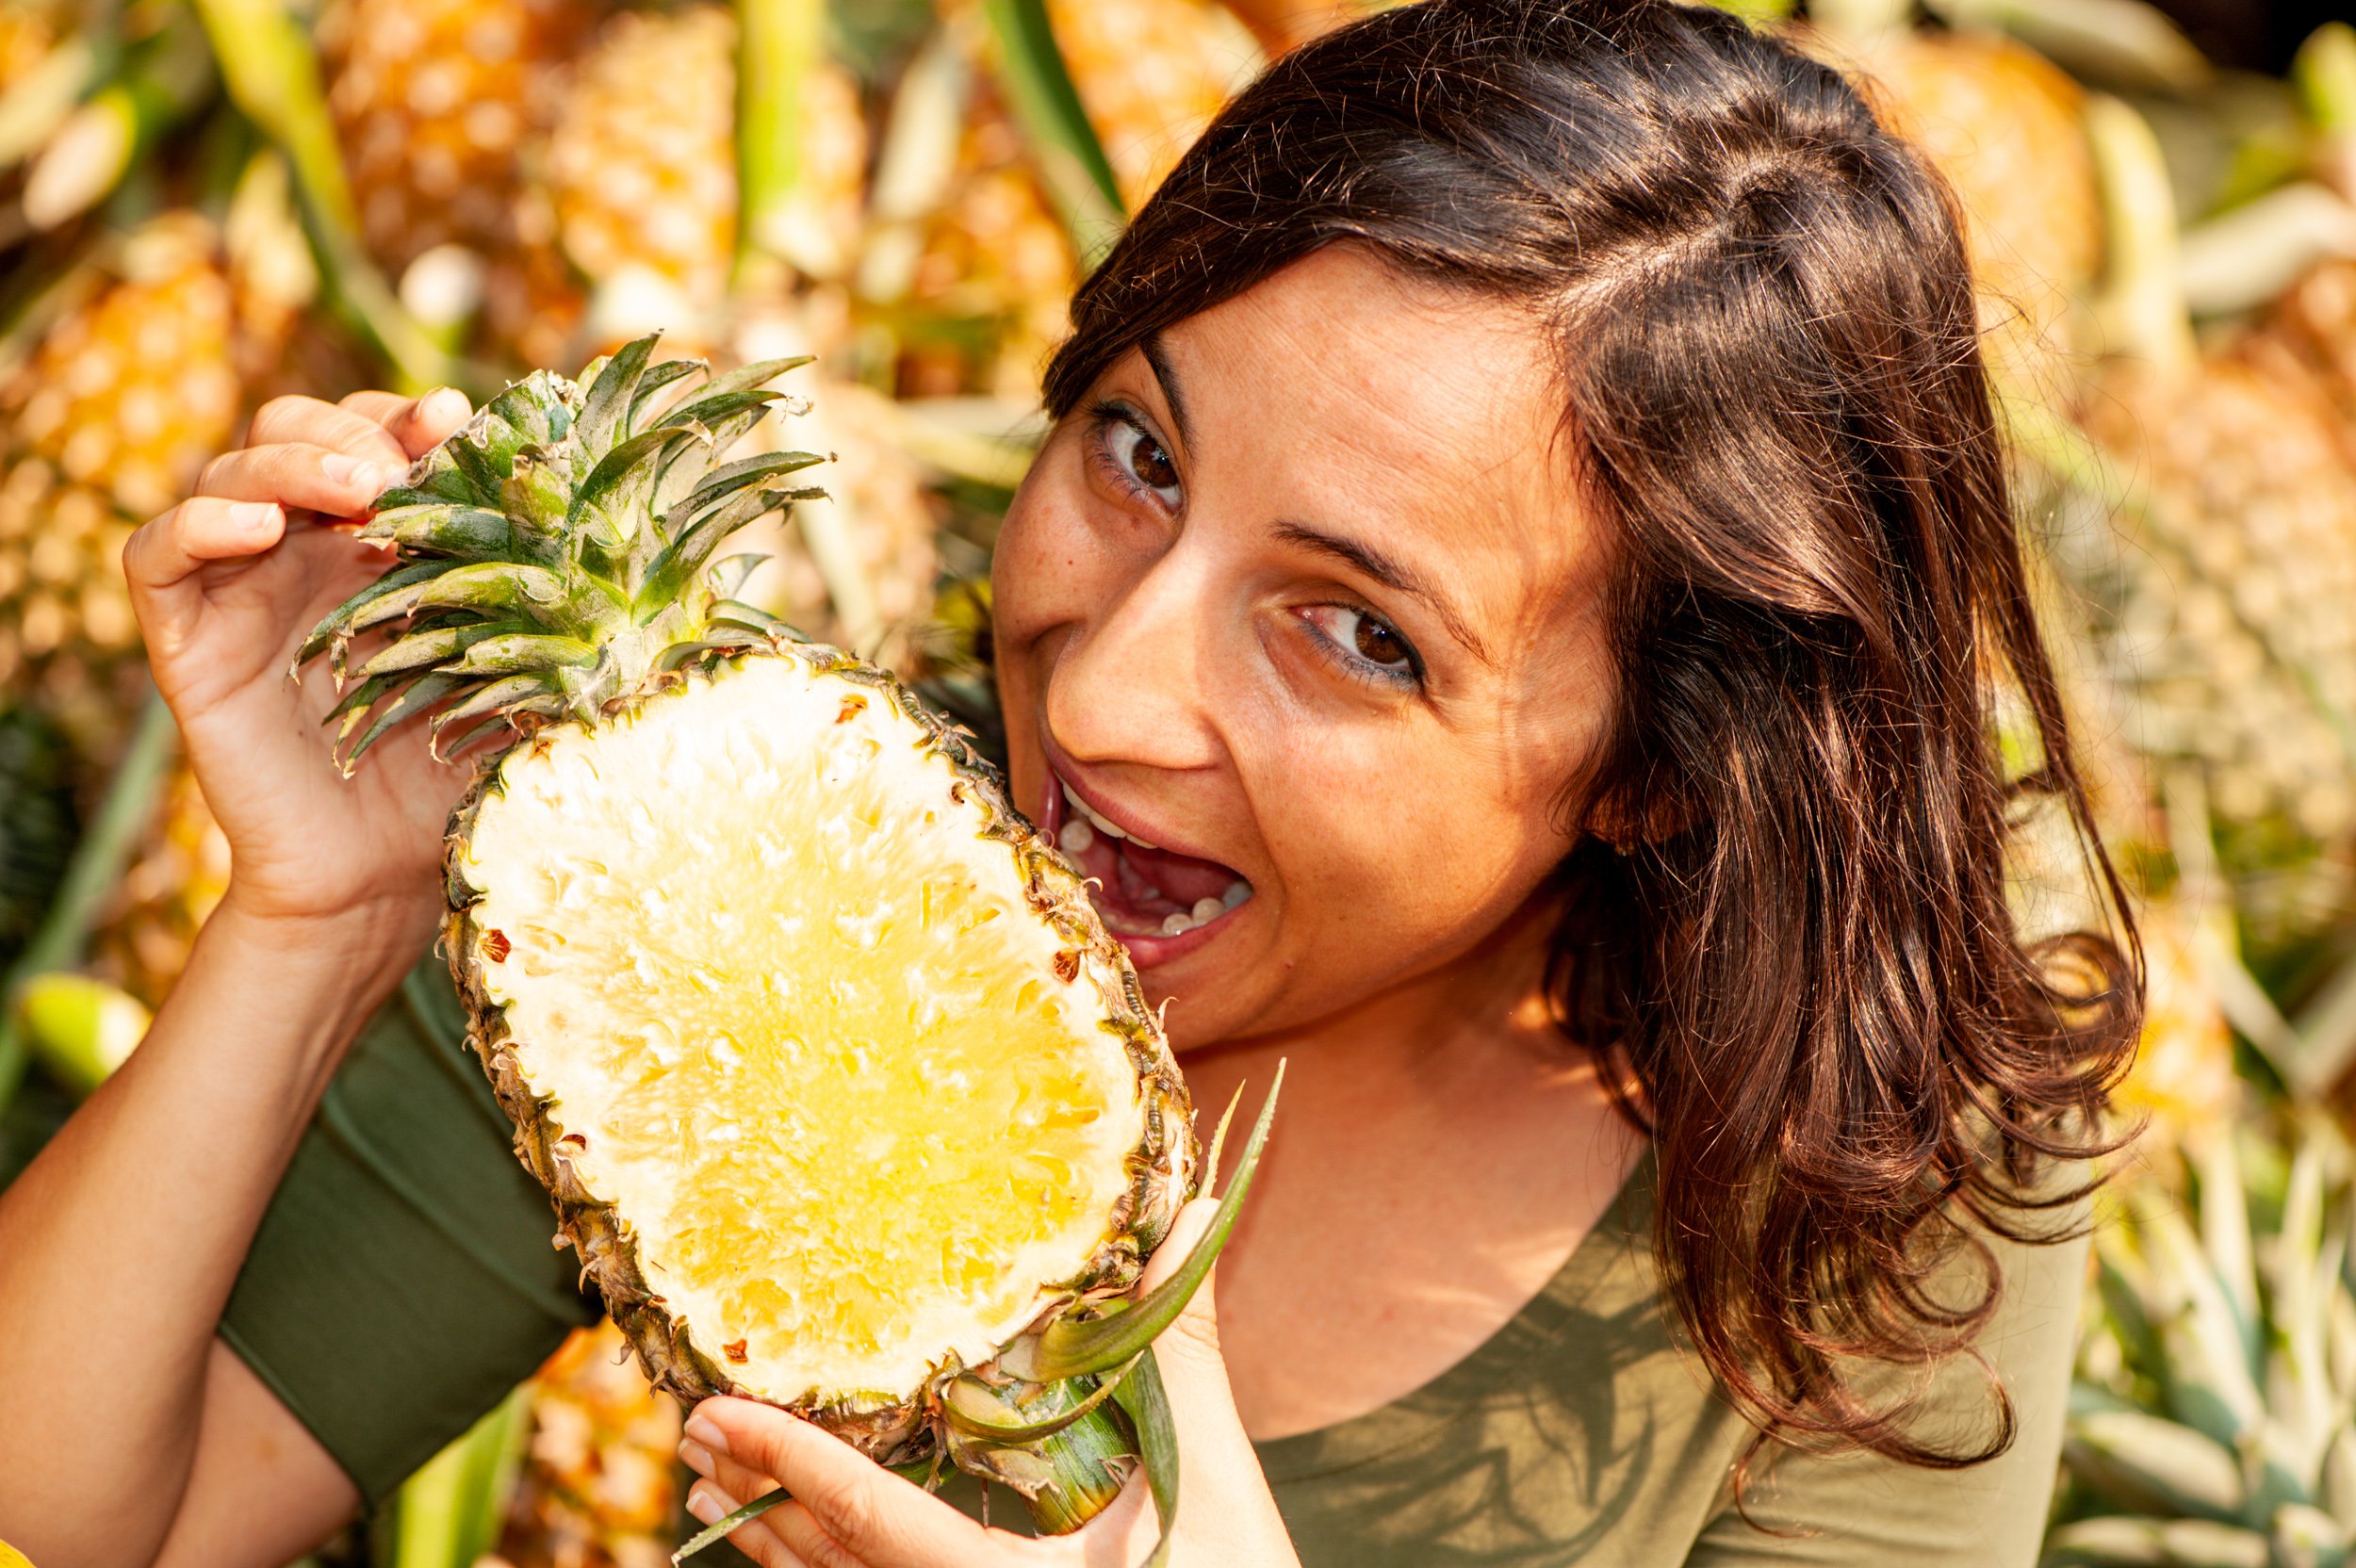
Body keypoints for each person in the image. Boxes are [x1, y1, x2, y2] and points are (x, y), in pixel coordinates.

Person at [0, 1, 2137, 1563]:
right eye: (1136, 454)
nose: (1101, 691)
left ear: (1663, 771)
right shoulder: (767, 900)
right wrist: (320, 916)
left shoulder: (1884, 1184)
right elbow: (96, 1498)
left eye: (1355, 629)